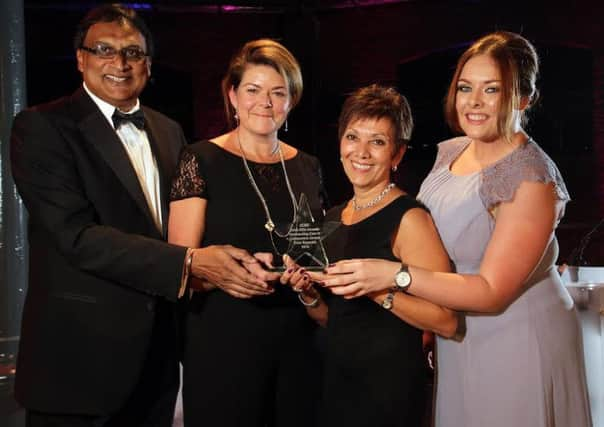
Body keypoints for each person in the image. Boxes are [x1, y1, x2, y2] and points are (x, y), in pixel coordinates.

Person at [314, 32, 592, 427]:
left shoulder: (529, 177)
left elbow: (493, 292)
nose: (473, 102)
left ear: (524, 98)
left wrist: (394, 276)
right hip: (457, 333)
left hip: (515, 335)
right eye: (465, 87)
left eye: (491, 89)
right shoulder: (454, 151)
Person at [10, 4, 265, 426]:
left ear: (148, 63)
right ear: (81, 58)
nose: (120, 63)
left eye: (133, 52)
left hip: (158, 360)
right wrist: (189, 261)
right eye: (104, 50)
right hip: (79, 365)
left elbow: (186, 223)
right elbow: (74, 236)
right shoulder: (41, 127)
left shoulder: (169, 130)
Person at [168, 39, 326, 427]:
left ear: (291, 101)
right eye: (253, 90)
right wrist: (231, 275)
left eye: (278, 93)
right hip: (224, 340)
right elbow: (177, 266)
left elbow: (317, 250)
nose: (265, 103)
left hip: (299, 339)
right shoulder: (199, 158)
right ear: (233, 95)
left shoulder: (308, 166)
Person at [284, 84, 457, 427]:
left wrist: (377, 290)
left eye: (377, 141)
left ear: (397, 154)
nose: (361, 152)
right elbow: (337, 319)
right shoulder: (333, 217)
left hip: (386, 387)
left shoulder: (409, 218)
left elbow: (446, 321)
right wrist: (307, 295)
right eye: (352, 137)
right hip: (334, 381)